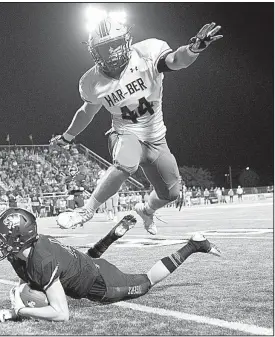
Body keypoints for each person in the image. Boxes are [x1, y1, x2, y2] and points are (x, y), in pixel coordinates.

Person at [50, 10, 223, 235]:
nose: (111, 53)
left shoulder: (147, 53)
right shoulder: (91, 81)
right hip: (124, 133)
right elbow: (87, 112)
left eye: (115, 45)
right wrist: (67, 137)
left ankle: (146, 210)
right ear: (94, 52)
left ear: (126, 40)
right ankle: (86, 211)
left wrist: (193, 49)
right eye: (104, 48)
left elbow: (176, 60)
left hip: (156, 138)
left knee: (171, 193)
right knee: (127, 161)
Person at [0, 208, 221, 322]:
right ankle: (111, 237)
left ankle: (194, 245)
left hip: (103, 283)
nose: (0, 243)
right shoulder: (22, 253)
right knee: (81, 265)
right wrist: (21, 300)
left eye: (3, 238)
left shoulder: (42, 260)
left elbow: (61, 313)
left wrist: (20, 310)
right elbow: (27, 277)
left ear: (19, 238)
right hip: (86, 263)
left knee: (147, 281)